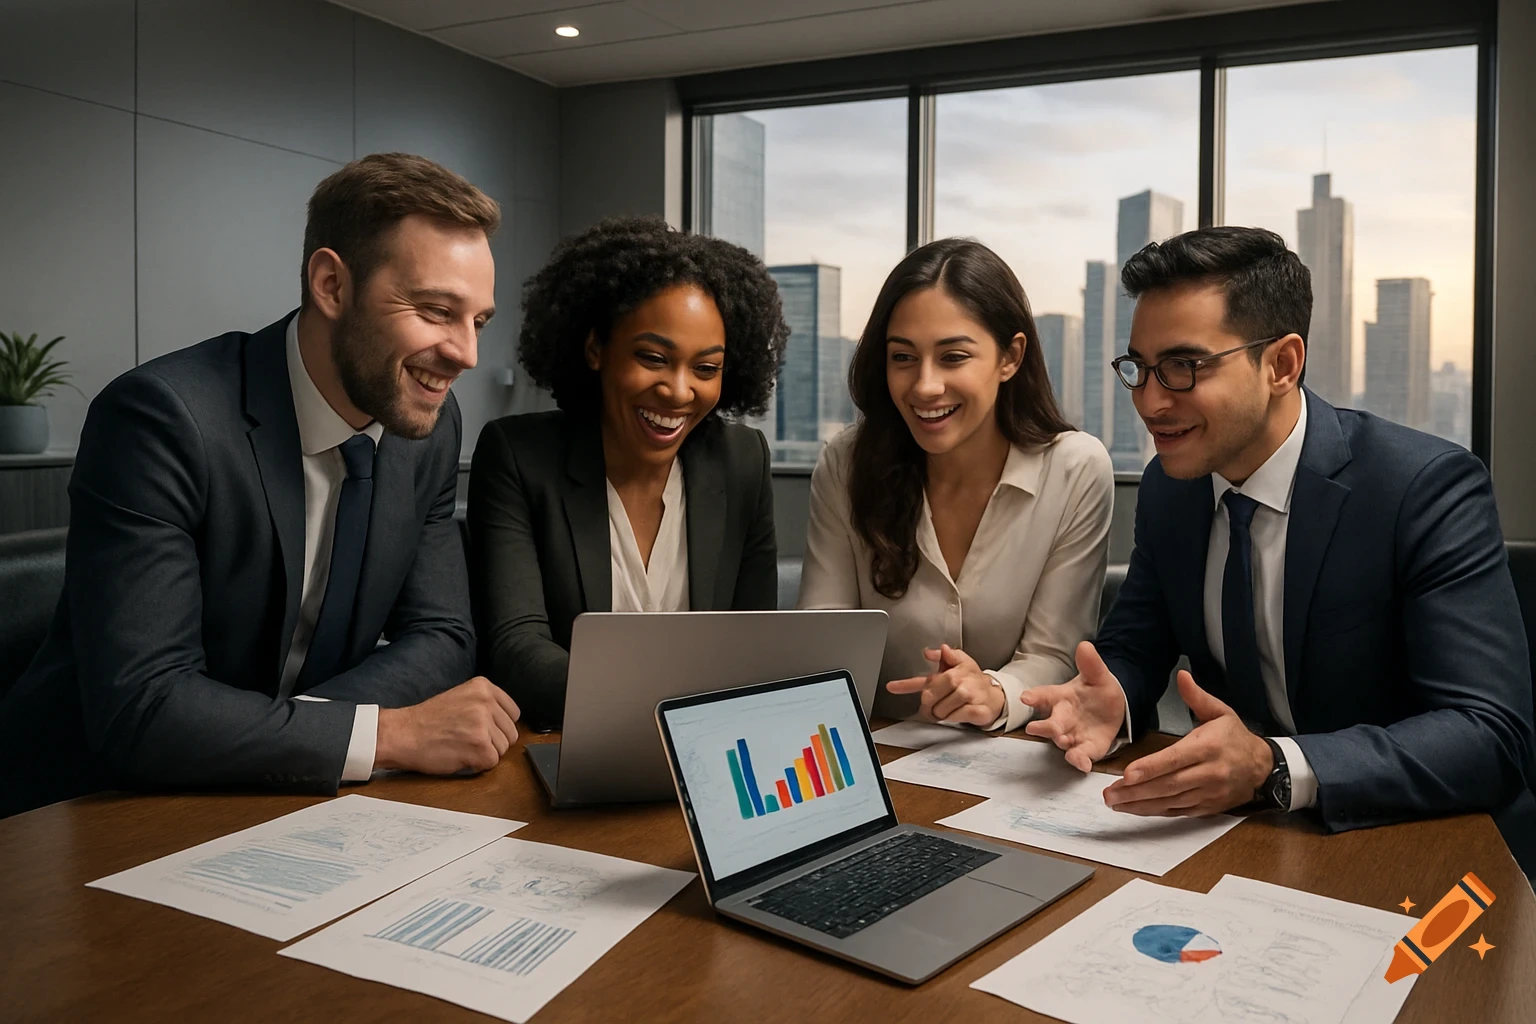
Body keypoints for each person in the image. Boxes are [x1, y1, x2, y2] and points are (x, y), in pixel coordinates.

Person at [0, 153, 522, 818]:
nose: (466, 355)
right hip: (86, 813)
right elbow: (145, 708)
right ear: (332, 284)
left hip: (282, 803)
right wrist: (387, 734)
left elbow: (444, 634)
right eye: (433, 310)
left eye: (477, 321)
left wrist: (295, 739)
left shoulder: (428, 422)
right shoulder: (162, 420)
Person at [1020, 226, 1535, 869]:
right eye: (1140, 369)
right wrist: (1112, 697)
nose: (1149, 402)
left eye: (1184, 367)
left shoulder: (1420, 489)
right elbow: (1136, 644)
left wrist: (1273, 767)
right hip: (1241, 844)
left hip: (1415, 849)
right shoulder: (1170, 488)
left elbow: (1491, 736)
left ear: (1282, 364)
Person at [468, 216, 788, 732]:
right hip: (573, 742)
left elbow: (752, 642)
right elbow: (516, 646)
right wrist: (657, 713)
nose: (680, 391)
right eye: (653, 358)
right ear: (596, 349)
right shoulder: (519, 455)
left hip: (710, 751)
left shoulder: (742, 460)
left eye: (706, 369)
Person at [797, 238, 1114, 730]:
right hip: (875, 755)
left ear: (1010, 357)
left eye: (953, 357)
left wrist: (994, 693)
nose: (924, 386)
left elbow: (1055, 653)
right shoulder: (845, 462)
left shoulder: (1076, 469)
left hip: (1017, 761)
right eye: (903, 357)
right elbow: (823, 643)